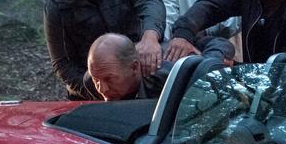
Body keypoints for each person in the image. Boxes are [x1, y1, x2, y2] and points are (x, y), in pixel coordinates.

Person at [87, 33, 236, 101]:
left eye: (110, 79)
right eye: (96, 80)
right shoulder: (93, 78)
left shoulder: (170, 71)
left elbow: (221, 43)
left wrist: (206, 67)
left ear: (134, 67)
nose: (102, 89)